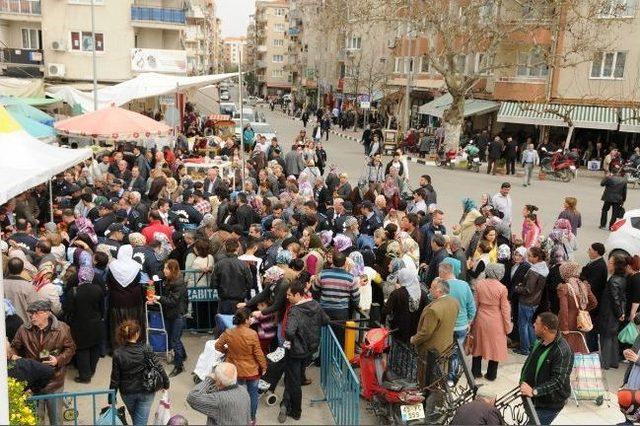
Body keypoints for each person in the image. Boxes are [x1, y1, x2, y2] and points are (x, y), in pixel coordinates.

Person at [10, 300, 76, 425]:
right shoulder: (23, 329)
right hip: (32, 382)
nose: (32, 317)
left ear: (47, 314)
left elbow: (71, 348)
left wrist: (58, 360)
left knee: (56, 419)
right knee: (35, 419)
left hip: (54, 381)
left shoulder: (62, 328)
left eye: (36, 313)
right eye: (31, 313)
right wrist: (13, 355)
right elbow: (14, 346)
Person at [279, 279, 329, 423]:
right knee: (296, 377)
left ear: (298, 295)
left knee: (294, 381)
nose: (287, 297)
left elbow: (289, 331)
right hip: (310, 349)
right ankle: (287, 402)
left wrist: (290, 340)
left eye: (289, 295)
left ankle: (295, 411)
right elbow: (325, 320)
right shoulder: (315, 304)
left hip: (295, 351)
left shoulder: (295, 311)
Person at [110, 319, 169, 426]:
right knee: (140, 421)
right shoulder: (146, 349)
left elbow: (115, 378)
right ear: (137, 334)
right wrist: (166, 383)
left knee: (137, 419)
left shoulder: (118, 353)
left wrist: (111, 397)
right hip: (146, 391)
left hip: (127, 393)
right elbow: (158, 366)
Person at [519, 312, 574, 425]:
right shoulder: (540, 341)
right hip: (534, 399)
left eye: (536, 323)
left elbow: (558, 381)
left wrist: (534, 391)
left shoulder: (562, 350)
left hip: (549, 404)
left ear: (544, 328)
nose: (534, 324)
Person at [215, 308, 267, 424]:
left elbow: (218, 345)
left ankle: (236, 418)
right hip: (251, 371)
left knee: (235, 395)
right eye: (250, 318)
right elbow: (258, 353)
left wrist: (227, 352)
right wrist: (264, 366)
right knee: (253, 395)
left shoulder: (228, 332)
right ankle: (251, 419)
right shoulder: (252, 334)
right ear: (247, 320)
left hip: (234, 370)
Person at [411, 278, 459, 391]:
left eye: (432, 288)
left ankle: (426, 397)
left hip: (431, 350)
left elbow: (425, 333)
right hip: (446, 346)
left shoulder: (433, 309)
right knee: (440, 375)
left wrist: (413, 340)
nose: (429, 290)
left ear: (438, 291)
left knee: (426, 378)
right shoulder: (454, 302)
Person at [470, 263, 511, 381]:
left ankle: (475, 372)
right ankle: (491, 374)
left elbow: (475, 304)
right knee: (496, 347)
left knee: (478, 345)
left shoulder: (479, 284)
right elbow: (505, 309)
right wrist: (507, 326)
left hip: (481, 318)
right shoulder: (502, 288)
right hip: (496, 320)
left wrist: (471, 321)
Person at [64, 266, 104, 383]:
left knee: (82, 350)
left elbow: (68, 309)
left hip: (79, 325)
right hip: (96, 324)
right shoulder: (98, 289)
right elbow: (102, 308)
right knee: (95, 347)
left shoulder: (74, 291)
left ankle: (85, 376)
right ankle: (91, 370)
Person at [313, 251, 359, 345]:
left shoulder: (322, 274)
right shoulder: (351, 278)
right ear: (345, 263)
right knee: (339, 338)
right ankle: (337, 358)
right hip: (341, 312)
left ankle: (322, 358)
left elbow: (314, 290)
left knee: (323, 336)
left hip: (324, 310)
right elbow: (356, 298)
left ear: (332, 261)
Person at [187, 362, 251, 426]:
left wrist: (209, 380)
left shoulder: (219, 399)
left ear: (219, 382)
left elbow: (192, 397)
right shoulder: (244, 391)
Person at [106, 245, 145, 349]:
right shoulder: (136, 266)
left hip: (117, 300)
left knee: (118, 324)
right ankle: (135, 344)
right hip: (134, 300)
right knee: (134, 322)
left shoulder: (113, 266)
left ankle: (118, 346)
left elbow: (109, 281)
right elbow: (138, 281)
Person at [155, 259, 188, 377]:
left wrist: (159, 298)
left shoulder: (178, 283)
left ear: (172, 269)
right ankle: (182, 356)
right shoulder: (169, 280)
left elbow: (173, 301)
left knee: (175, 340)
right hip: (171, 314)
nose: (164, 270)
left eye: (166, 268)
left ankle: (179, 366)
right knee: (174, 338)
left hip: (177, 315)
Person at [557, 262, 597, 354]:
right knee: (580, 346)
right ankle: (579, 367)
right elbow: (594, 302)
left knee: (566, 348)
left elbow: (564, 309)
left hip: (568, 322)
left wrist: (564, 327)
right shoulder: (584, 285)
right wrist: (583, 311)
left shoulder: (564, 287)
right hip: (581, 321)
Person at [514, 247, 548, 355]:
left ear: (536, 257)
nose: (527, 258)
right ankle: (533, 347)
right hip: (535, 301)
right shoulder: (544, 268)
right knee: (530, 324)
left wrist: (517, 288)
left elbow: (528, 289)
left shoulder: (534, 271)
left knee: (523, 324)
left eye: (529, 256)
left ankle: (524, 348)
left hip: (527, 301)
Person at [383, 268, 429, 343]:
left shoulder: (397, 293)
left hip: (398, 330)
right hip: (416, 329)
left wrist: (386, 302)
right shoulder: (423, 294)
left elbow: (386, 310)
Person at [210, 238, 253, 314]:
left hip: (224, 301)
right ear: (238, 248)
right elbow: (249, 283)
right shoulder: (243, 265)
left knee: (225, 324)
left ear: (226, 248)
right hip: (239, 301)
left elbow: (213, 284)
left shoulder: (219, 264)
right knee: (238, 323)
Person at [599, 254, 628, 369]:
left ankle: (605, 363)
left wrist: (619, 313)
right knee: (613, 337)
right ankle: (614, 362)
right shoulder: (622, 279)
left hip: (609, 313)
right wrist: (622, 312)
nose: (608, 264)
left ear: (616, 265)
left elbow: (615, 299)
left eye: (610, 262)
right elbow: (623, 298)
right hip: (616, 314)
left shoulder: (613, 281)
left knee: (606, 337)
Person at [580, 242, 608, 350]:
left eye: (590, 250)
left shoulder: (599, 265)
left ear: (596, 252)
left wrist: (582, 278)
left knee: (590, 327)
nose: (588, 251)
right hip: (592, 300)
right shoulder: (594, 262)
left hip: (594, 302)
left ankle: (592, 350)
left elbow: (591, 284)